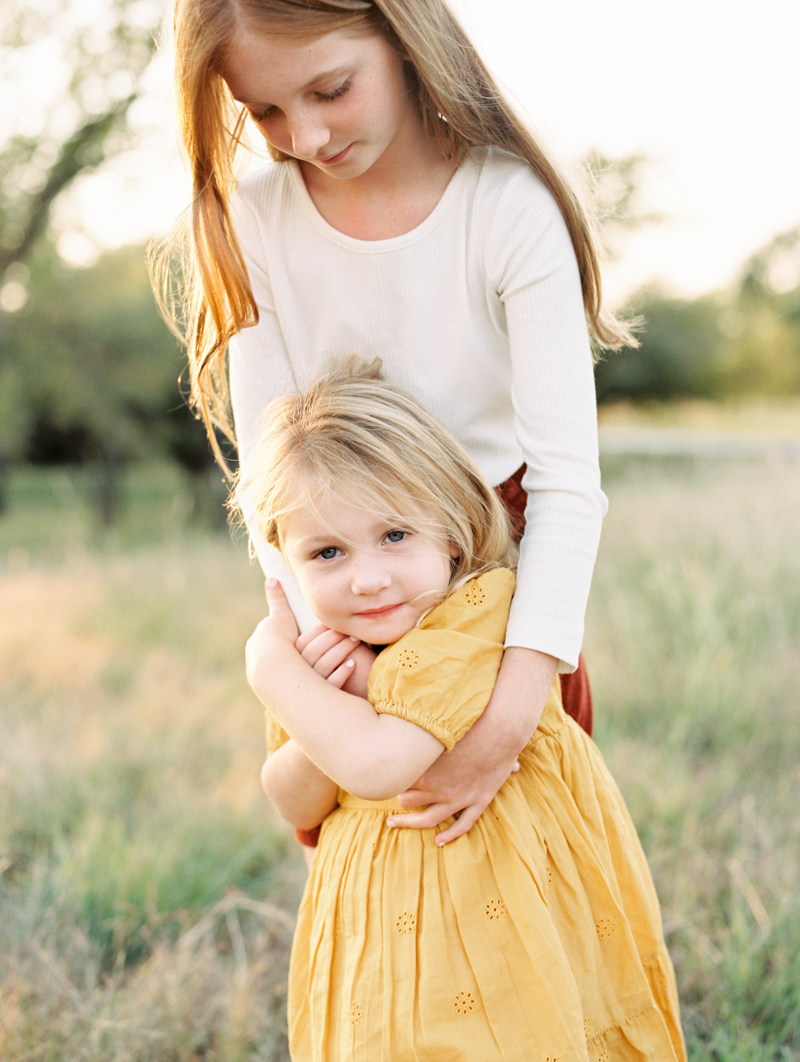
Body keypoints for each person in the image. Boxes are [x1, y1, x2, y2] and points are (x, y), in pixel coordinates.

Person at [156, 0, 636, 843]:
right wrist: (333, 655)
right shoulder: (256, 220)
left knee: (524, 849)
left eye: (330, 89)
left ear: (403, 34)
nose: (303, 135)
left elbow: (566, 480)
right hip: (346, 596)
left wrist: (513, 711)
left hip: (496, 584)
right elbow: (272, 483)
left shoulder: (506, 206)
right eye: (263, 111)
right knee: (378, 855)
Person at [242, 360, 685, 1062]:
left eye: (395, 536)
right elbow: (294, 800)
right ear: (287, 564)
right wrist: (318, 708)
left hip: (502, 909)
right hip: (381, 930)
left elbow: (380, 761)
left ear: (451, 532)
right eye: (326, 551)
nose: (368, 577)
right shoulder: (322, 652)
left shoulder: (478, 613)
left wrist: (269, 670)